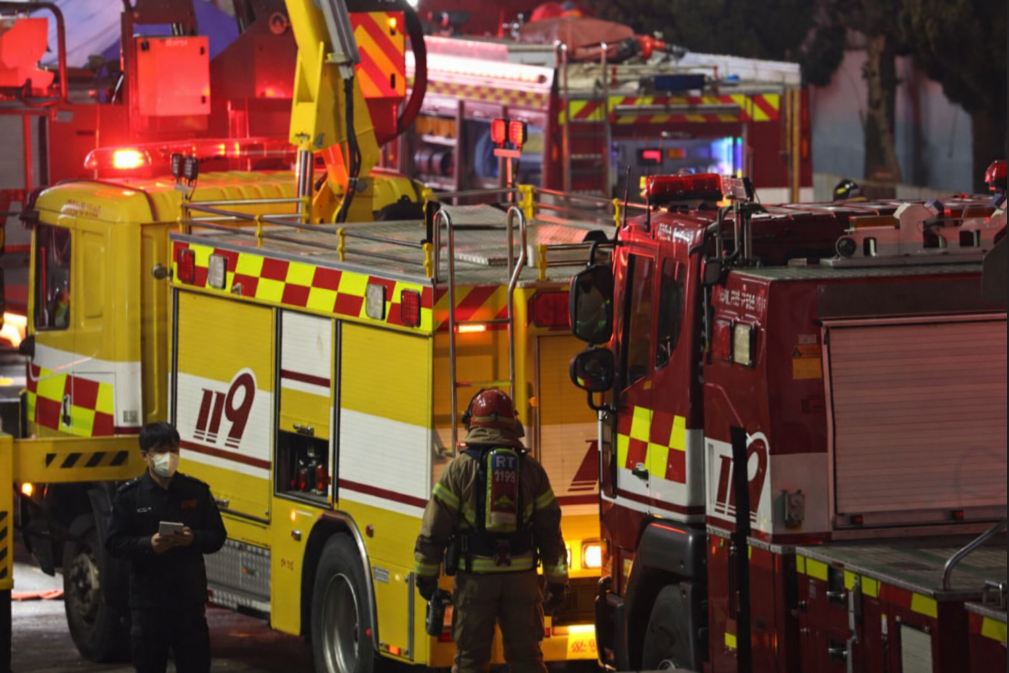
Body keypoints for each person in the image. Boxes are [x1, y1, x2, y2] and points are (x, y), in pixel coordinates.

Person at [414, 389, 568, 673]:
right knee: (528, 662)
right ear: (512, 424)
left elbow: (434, 529)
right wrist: (556, 582)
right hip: (522, 583)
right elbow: (550, 532)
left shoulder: (458, 470)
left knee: (470, 662)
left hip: (475, 584)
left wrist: (426, 576)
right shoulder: (532, 471)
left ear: (473, 423)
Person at [105, 422, 227, 673]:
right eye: (160, 451)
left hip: (189, 602)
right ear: (145, 455)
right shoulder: (129, 497)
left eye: (174, 449)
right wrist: (147, 544)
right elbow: (114, 543)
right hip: (149, 604)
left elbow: (218, 535)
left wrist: (194, 538)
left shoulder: (196, 491)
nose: (169, 457)